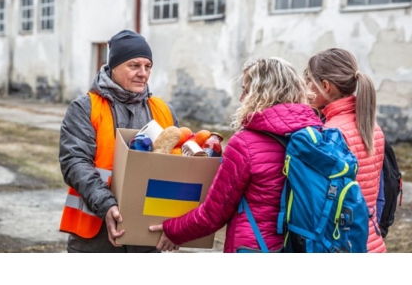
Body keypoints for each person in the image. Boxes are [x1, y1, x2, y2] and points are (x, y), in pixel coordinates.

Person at [149, 57, 323, 252]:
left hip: (255, 247)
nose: (242, 98)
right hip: (302, 245)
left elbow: (213, 215)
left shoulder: (245, 144)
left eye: (246, 90)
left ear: (261, 93)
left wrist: (172, 230)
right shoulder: (316, 136)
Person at [59, 29, 179, 253]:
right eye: (134, 65)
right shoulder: (85, 108)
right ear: (113, 67)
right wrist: (106, 205)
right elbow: (74, 163)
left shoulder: (164, 111)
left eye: (148, 66)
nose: (143, 73)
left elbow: (178, 169)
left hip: (148, 238)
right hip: (95, 238)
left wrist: (178, 225)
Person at [304, 47, 386, 253]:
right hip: (370, 240)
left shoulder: (331, 133)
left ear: (325, 86)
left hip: (342, 242)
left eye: (308, 81)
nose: (304, 88)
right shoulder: (372, 127)